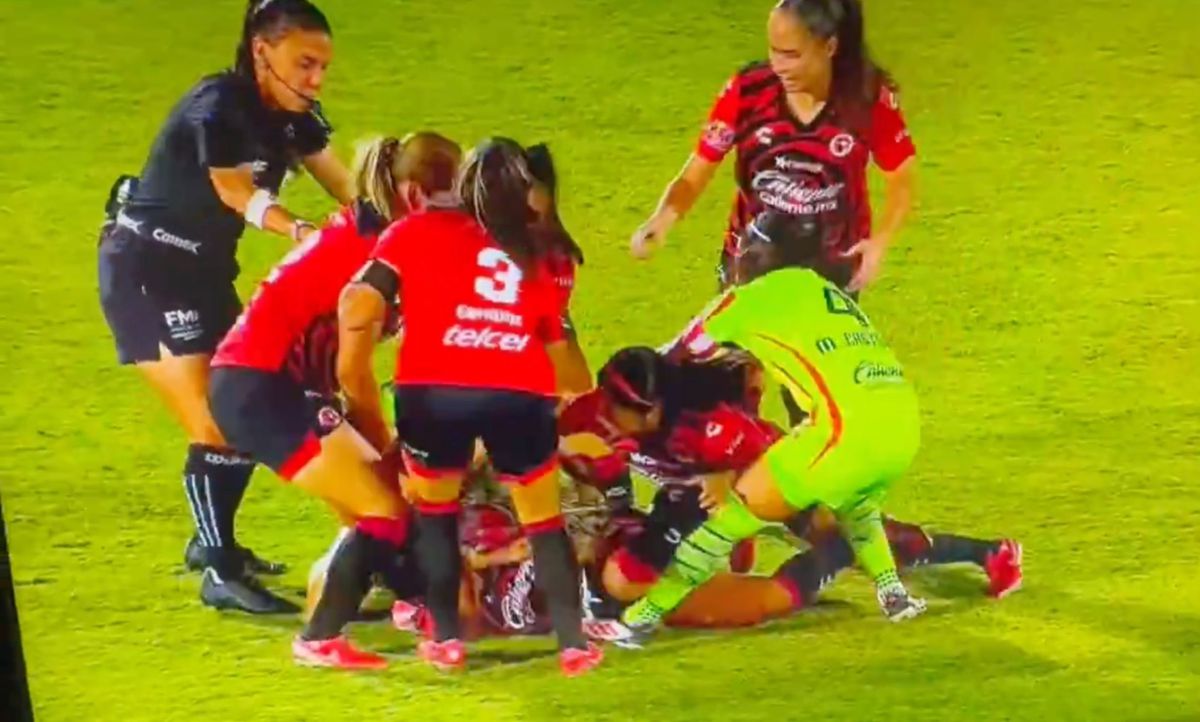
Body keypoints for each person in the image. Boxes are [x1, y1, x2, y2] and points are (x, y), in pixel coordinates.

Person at [96, 0, 351, 596]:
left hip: (206, 275)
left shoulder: (295, 118)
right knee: (217, 420)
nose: (316, 80)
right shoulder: (216, 106)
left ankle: (215, 545)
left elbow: (349, 188)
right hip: (147, 270)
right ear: (262, 52)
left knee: (245, 403)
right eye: (305, 64)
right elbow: (235, 191)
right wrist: (297, 229)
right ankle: (219, 571)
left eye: (323, 68)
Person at [339, 138, 603, 676]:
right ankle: (574, 646)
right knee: (544, 522)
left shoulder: (411, 232)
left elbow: (361, 303)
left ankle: (445, 640)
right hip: (516, 394)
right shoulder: (534, 252)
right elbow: (567, 365)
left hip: (432, 393)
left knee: (436, 517)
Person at [208, 132, 461, 666]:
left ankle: (404, 604)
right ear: (415, 195)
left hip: (274, 384)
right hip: (261, 387)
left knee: (382, 507)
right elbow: (351, 370)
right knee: (383, 509)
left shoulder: (369, 232)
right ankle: (319, 640)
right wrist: (384, 443)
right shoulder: (375, 251)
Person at [619, 208, 930, 640]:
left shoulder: (748, 299)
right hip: (903, 424)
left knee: (729, 519)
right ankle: (893, 593)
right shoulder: (826, 290)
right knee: (857, 500)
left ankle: (639, 619)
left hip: (844, 432)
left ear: (755, 255)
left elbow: (676, 354)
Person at [630, 0, 915, 293]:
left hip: (831, 273)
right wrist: (662, 218)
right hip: (749, 264)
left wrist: (880, 242)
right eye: (774, 51)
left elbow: (901, 179)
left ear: (829, 47)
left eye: (792, 55)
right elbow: (697, 171)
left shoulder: (867, 98)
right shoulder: (747, 91)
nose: (780, 66)